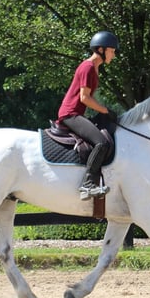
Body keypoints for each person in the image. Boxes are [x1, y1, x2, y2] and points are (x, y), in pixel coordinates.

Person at [57, 30, 118, 200]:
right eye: (111, 51)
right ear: (101, 49)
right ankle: (87, 184)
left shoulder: (94, 68)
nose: (113, 55)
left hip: (76, 113)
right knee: (101, 143)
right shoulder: (88, 67)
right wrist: (105, 110)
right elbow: (84, 98)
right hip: (70, 114)